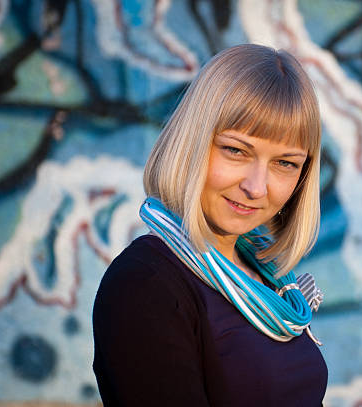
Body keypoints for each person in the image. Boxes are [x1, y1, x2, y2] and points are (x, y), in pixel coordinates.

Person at [92, 43, 327, 406]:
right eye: (235, 150)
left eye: (285, 163)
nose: (255, 186)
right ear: (193, 143)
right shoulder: (146, 284)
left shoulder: (269, 279)